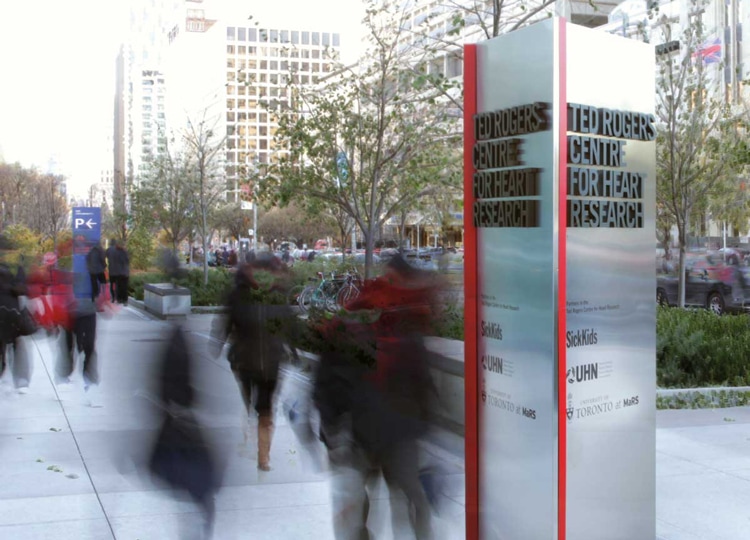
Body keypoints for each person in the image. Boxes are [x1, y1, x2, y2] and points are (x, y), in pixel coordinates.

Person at [210, 253, 294, 471]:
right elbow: (226, 320)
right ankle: (250, 416)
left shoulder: (278, 295)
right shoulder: (238, 295)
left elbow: (289, 324)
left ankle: (263, 456)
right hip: (245, 361)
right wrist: (217, 341)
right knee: (251, 404)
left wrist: (293, 348)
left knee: (266, 409)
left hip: (272, 360)